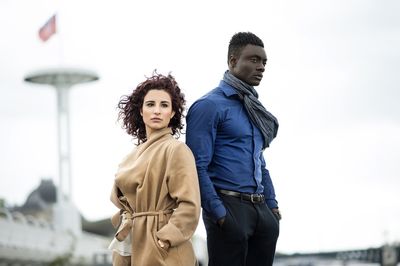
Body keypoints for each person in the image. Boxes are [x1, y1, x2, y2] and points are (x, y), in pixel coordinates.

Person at [186, 32, 281, 266]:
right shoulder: (209, 106)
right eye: (254, 60)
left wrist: (272, 206)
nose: (261, 67)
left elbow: (259, 160)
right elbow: (196, 166)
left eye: (264, 62)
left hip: (261, 211)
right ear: (232, 61)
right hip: (229, 209)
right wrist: (219, 214)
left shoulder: (254, 108)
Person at [109, 72, 201, 266]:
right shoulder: (130, 156)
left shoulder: (176, 150)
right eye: (150, 104)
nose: (157, 111)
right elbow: (122, 202)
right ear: (141, 111)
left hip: (163, 251)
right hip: (132, 245)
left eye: (164, 105)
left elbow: (189, 205)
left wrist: (164, 239)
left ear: (173, 113)